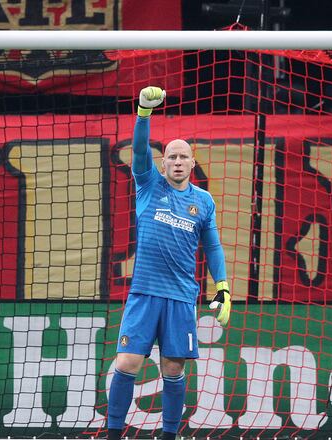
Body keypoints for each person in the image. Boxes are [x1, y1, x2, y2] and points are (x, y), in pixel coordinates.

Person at [107, 86, 232, 440]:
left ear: (192, 164)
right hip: (145, 294)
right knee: (127, 363)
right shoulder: (149, 185)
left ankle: (169, 436)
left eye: (183, 157)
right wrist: (143, 114)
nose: (177, 161)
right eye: (172, 156)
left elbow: (213, 246)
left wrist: (223, 286)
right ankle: (113, 434)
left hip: (180, 298)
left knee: (173, 369)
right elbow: (139, 151)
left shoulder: (203, 202)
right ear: (163, 164)